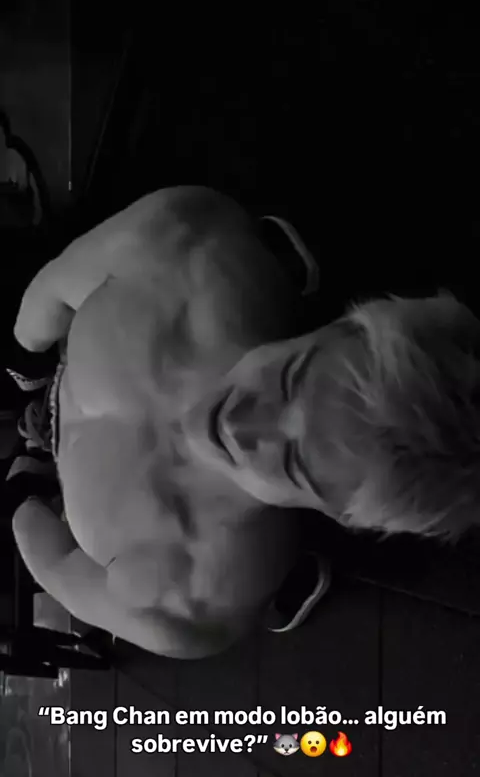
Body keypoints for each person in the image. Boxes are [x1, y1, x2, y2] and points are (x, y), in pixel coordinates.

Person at [8, 186, 480, 659]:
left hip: (51, 479)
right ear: (341, 326)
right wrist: (25, 355)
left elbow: (54, 563)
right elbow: (45, 297)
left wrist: (23, 492)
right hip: (56, 368)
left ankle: (289, 574)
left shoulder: (195, 599)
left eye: (291, 463)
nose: (242, 425)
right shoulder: (181, 242)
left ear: (335, 511)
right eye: (291, 380)